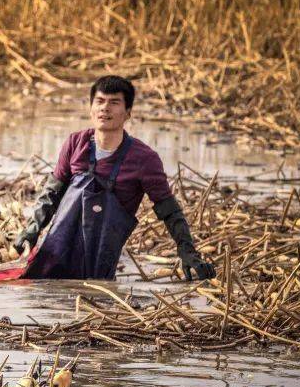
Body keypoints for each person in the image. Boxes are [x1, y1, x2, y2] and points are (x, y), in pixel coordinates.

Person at [13, 75, 216, 281]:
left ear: (128, 113)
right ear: (91, 109)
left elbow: (170, 211)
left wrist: (187, 251)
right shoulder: (75, 143)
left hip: (98, 267)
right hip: (54, 256)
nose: (105, 108)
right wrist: (32, 230)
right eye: (99, 101)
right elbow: (51, 194)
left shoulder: (144, 159)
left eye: (114, 102)